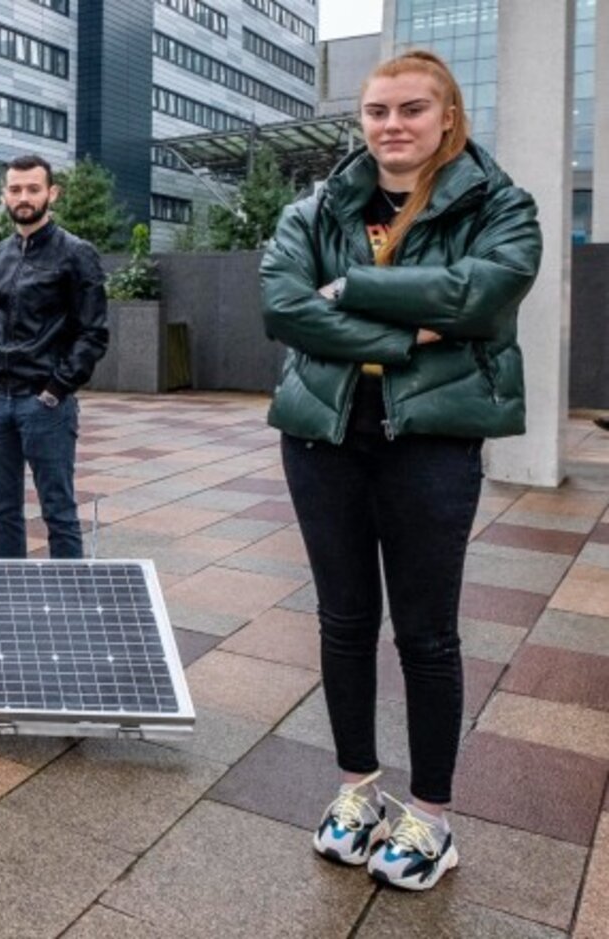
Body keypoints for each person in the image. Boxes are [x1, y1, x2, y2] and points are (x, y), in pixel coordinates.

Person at [261, 49, 540, 892]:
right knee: (344, 620)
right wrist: (404, 329)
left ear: (446, 116)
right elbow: (283, 306)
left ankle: (431, 814)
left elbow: (481, 296)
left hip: (430, 442)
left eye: (412, 110)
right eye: (378, 111)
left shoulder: (502, 205)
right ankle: (356, 791)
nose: (393, 125)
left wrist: (348, 292)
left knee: (426, 634)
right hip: (325, 435)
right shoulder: (314, 208)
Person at [0, 155, 108, 560]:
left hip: (45, 404)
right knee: (3, 510)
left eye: (33, 189)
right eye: (16, 189)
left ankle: (67, 608)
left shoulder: (77, 254)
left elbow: (94, 333)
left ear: (51, 193)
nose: (24, 197)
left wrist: (56, 389)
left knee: (58, 511)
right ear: (5, 195)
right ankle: (11, 602)